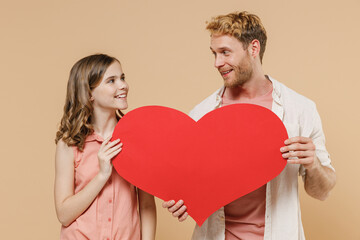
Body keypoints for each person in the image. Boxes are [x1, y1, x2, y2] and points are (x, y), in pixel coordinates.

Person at [163, 11, 336, 240]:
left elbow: (322, 192)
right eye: (214, 53)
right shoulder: (201, 114)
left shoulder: (300, 110)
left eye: (225, 52)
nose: (217, 63)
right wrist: (183, 201)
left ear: (253, 49)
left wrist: (313, 164)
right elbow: (188, 185)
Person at [54, 54, 156, 240]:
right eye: (111, 80)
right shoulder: (69, 144)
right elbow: (64, 214)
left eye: (122, 78)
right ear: (89, 93)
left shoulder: (138, 140)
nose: (123, 85)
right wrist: (102, 175)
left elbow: (147, 205)